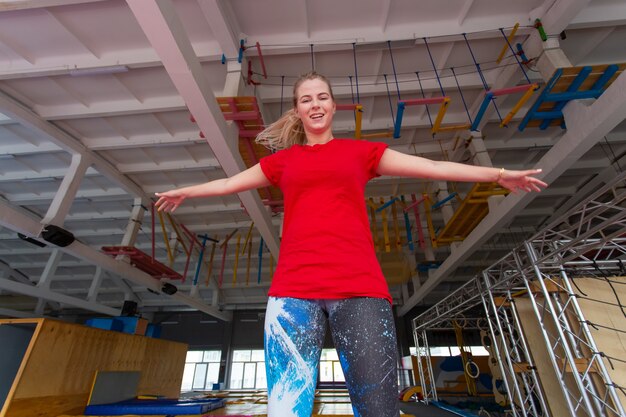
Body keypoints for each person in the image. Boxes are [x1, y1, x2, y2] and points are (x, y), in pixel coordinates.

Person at [155, 71, 547, 417]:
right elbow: (228, 184)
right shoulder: (283, 161)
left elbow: (432, 168)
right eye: (306, 99)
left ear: (333, 105)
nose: (315, 104)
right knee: (286, 411)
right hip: (293, 294)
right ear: (298, 111)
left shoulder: (361, 153)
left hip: (360, 290)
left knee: (378, 409)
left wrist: (497, 175)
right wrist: (186, 192)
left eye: (322, 97)